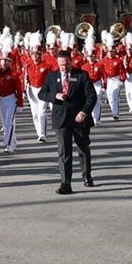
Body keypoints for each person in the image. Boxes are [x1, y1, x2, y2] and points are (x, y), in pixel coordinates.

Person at [39, 49, 98, 195]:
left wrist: (84, 112)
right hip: (61, 119)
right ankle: (66, 183)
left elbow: (91, 96)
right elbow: (42, 93)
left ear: (70, 61)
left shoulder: (82, 75)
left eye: (66, 64)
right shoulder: (51, 77)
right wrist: (55, 96)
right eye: (61, 65)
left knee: (83, 149)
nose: (63, 67)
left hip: (79, 118)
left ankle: (86, 175)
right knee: (64, 152)